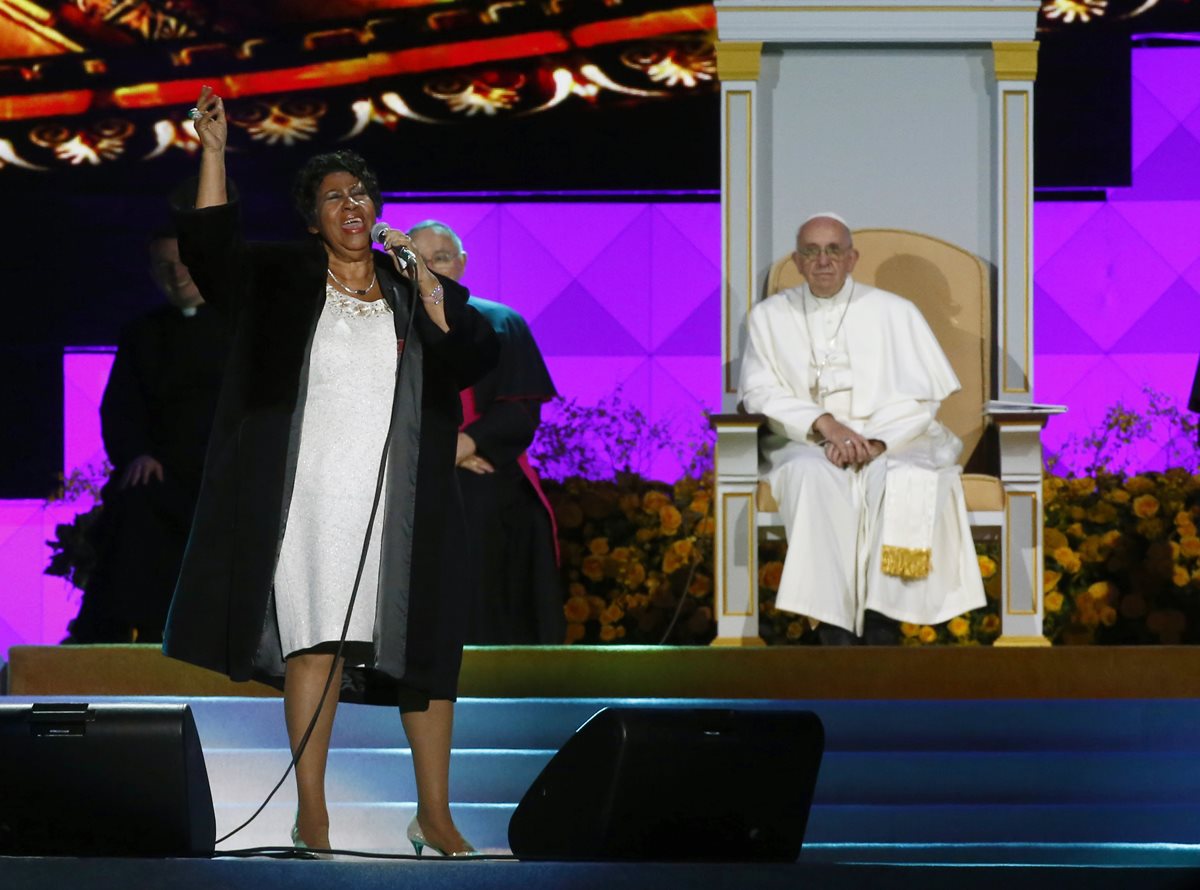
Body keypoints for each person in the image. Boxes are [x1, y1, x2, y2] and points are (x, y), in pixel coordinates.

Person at [161, 86, 499, 856]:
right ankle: (310, 807)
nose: (353, 204)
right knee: (315, 642)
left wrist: (431, 289)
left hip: (401, 499)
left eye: (363, 193)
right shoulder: (281, 278)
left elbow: (478, 353)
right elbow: (211, 255)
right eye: (334, 196)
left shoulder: (412, 288)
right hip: (308, 492)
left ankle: (434, 812)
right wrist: (214, 152)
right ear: (312, 216)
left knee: (424, 650)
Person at [738, 212, 985, 645]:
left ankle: (881, 623)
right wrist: (823, 425)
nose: (823, 261)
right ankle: (832, 629)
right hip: (805, 441)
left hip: (892, 439)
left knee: (898, 479)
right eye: (811, 252)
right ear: (797, 261)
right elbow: (758, 392)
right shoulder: (768, 317)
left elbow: (923, 398)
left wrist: (873, 441)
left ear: (852, 258)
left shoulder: (895, 312)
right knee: (812, 477)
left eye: (834, 250)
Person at [65, 226, 229, 644]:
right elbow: (120, 407)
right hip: (161, 469)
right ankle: (124, 636)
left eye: (184, 263)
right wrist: (136, 453)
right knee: (135, 507)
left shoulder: (241, 328)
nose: (177, 274)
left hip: (228, 470)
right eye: (164, 266)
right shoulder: (141, 333)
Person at [409, 221, 564, 645]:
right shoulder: (386, 326)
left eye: (440, 257)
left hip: (481, 466)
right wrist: (433, 451)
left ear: (461, 263)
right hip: (405, 468)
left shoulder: (501, 323)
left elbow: (520, 411)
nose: (430, 268)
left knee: (482, 507)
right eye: (416, 259)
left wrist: (462, 445)